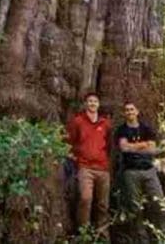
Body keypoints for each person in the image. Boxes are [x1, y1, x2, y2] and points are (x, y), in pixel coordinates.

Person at [115, 101, 165, 242]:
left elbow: (152, 149)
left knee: (158, 203)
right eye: (127, 110)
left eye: (132, 109)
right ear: (124, 113)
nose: (129, 112)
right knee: (135, 208)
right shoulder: (121, 130)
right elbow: (124, 148)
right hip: (131, 172)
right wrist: (143, 145)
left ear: (137, 111)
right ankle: (141, 239)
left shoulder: (146, 129)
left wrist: (134, 146)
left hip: (149, 171)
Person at [66, 91, 112, 234]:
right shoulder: (78, 121)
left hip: (103, 169)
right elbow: (70, 141)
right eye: (90, 101)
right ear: (86, 104)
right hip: (85, 167)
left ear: (98, 105)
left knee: (103, 204)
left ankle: (102, 234)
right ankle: (83, 232)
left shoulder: (105, 123)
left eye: (95, 101)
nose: (92, 104)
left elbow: (109, 145)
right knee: (85, 199)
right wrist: (76, 157)